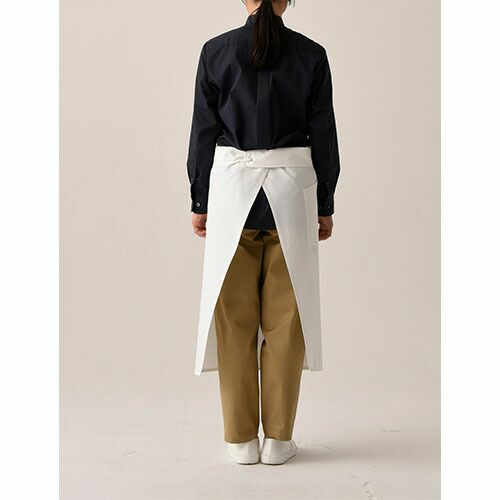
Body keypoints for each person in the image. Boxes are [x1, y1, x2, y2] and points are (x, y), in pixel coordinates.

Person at [186, 0, 340, 465]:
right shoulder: (311, 55)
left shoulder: (215, 52)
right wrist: (325, 202)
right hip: (291, 198)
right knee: (285, 324)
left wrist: (200, 200)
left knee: (234, 324)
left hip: (232, 197)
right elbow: (323, 134)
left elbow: (203, 132)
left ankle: (240, 441)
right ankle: (278, 440)